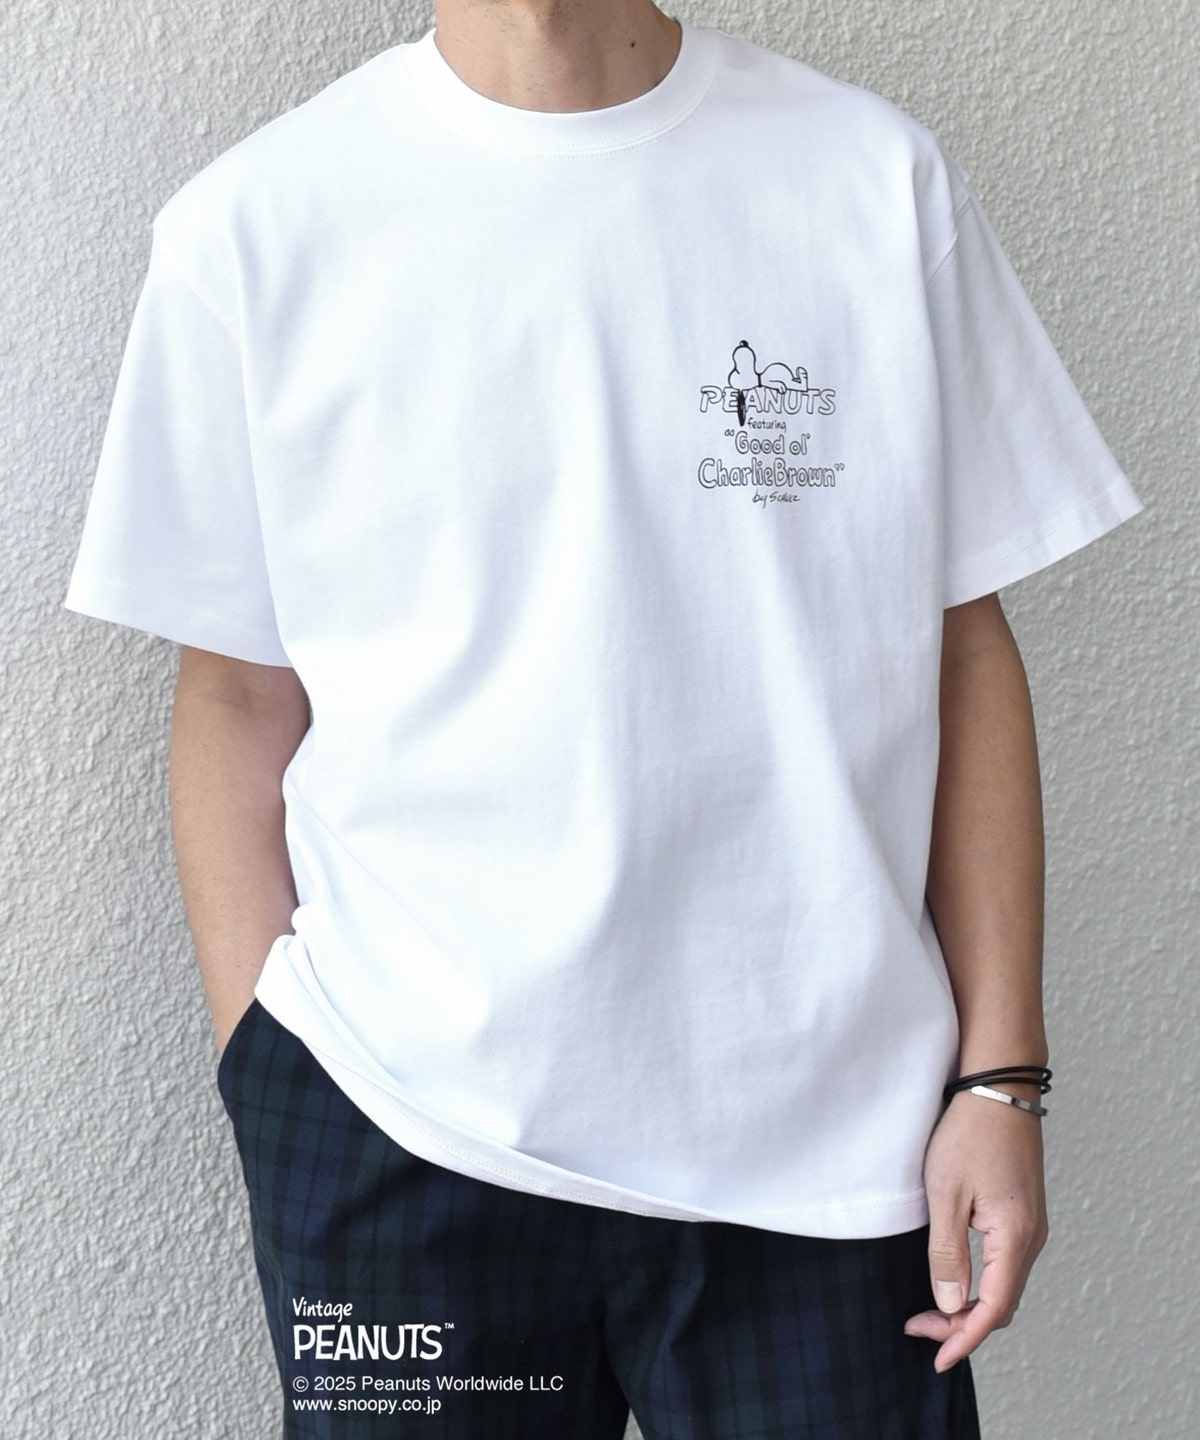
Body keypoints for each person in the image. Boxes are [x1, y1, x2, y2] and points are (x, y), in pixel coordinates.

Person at [62, 1, 1144, 1436]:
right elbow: (237, 694)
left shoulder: (872, 182)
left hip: (830, 1146)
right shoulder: (254, 228)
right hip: (402, 1128)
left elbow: (961, 648)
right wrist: (267, 1070)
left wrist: (1002, 1078)